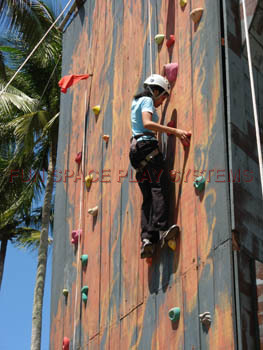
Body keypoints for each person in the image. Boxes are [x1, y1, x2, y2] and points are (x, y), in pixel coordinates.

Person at [129, 74, 191, 258]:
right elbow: (148, 123)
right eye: (163, 96)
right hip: (147, 146)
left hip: (135, 152)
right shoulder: (147, 99)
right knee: (160, 186)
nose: (162, 102)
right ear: (155, 91)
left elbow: (142, 124)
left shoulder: (136, 102)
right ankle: (163, 229)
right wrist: (175, 131)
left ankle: (147, 238)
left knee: (148, 194)